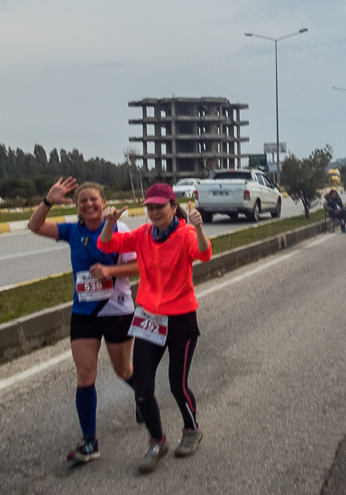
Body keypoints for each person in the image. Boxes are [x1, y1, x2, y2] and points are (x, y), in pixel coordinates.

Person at [100, 183, 212, 474]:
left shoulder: (185, 233)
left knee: (177, 384)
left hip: (181, 322)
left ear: (173, 207)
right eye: (150, 207)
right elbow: (106, 245)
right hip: (149, 319)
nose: (154, 212)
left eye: (160, 206)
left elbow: (203, 254)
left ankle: (191, 430)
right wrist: (110, 224)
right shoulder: (142, 235)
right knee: (143, 388)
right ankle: (157, 440)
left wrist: (199, 229)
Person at [27, 177, 140, 463]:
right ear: (77, 207)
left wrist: (111, 270)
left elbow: (139, 266)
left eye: (94, 199)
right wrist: (48, 201)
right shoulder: (72, 231)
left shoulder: (118, 228)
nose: (89, 204)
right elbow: (35, 226)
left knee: (123, 370)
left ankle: (143, 396)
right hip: (83, 313)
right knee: (85, 375)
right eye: (83, 201)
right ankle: (89, 441)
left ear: (103, 203)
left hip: (116, 309)